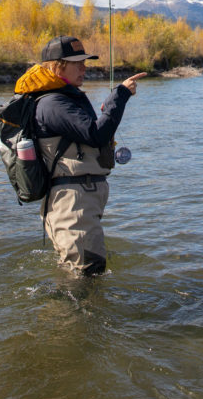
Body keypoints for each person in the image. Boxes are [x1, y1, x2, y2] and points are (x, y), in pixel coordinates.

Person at [14, 35, 145, 276]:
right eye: (77, 63)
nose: (84, 68)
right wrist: (120, 95)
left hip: (78, 200)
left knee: (81, 274)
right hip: (72, 202)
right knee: (86, 276)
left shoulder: (63, 99)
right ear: (56, 66)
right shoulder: (53, 103)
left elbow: (88, 132)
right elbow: (95, 134)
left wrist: (113, 101)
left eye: (85, 62)